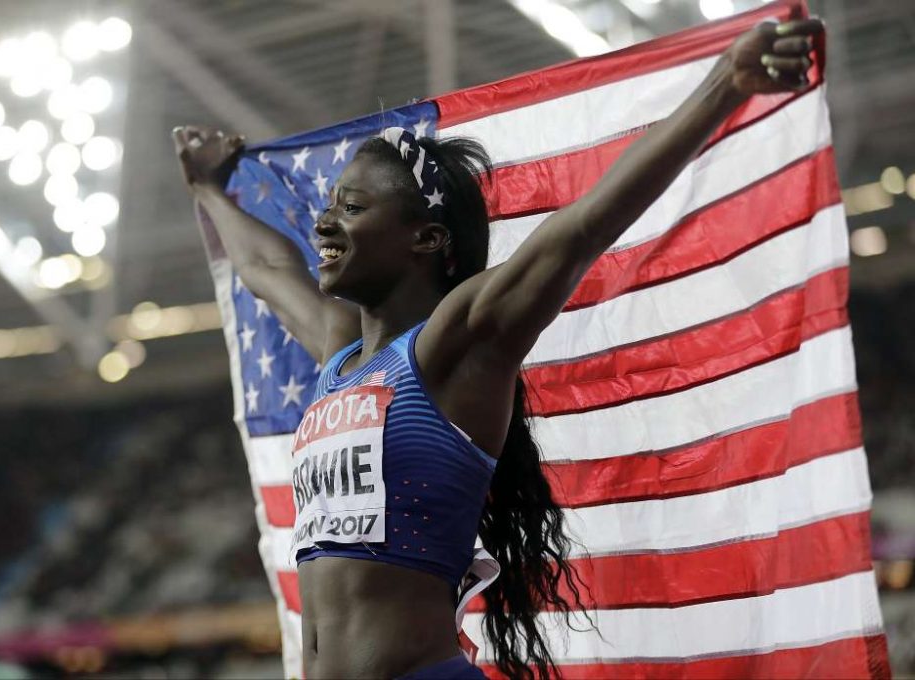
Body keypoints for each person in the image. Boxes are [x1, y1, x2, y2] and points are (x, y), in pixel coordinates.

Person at [173, 17, 823, 680]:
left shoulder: (457, 344)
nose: (323, 222)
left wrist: (725, 84)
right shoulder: (340, 357)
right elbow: (266, 269)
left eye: (353, 207)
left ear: (426, 239)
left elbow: (582, 227)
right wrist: (208, 189)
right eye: (332, 205)